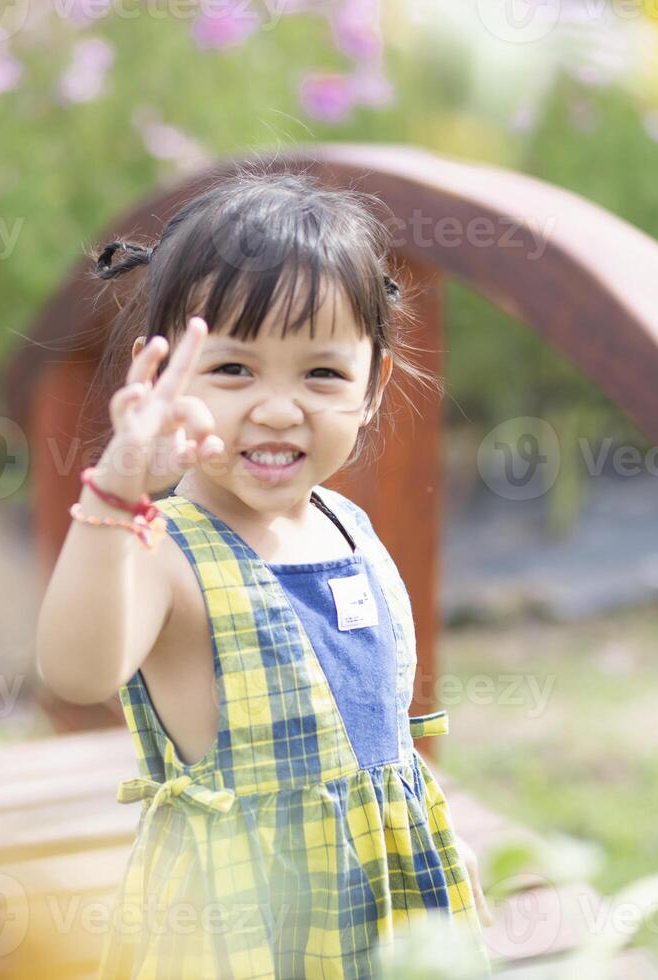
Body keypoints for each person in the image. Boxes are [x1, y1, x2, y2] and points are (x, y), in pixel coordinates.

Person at [36, 169, 493, 978]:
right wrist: (117, 489)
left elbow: (380, 741)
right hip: (239, 929)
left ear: (373, 385)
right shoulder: (169, 549)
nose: (279, 409)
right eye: (234, 371)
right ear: (169, 375)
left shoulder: (347, 525)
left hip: (388, 912)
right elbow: (76, 670)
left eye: (320, 374)